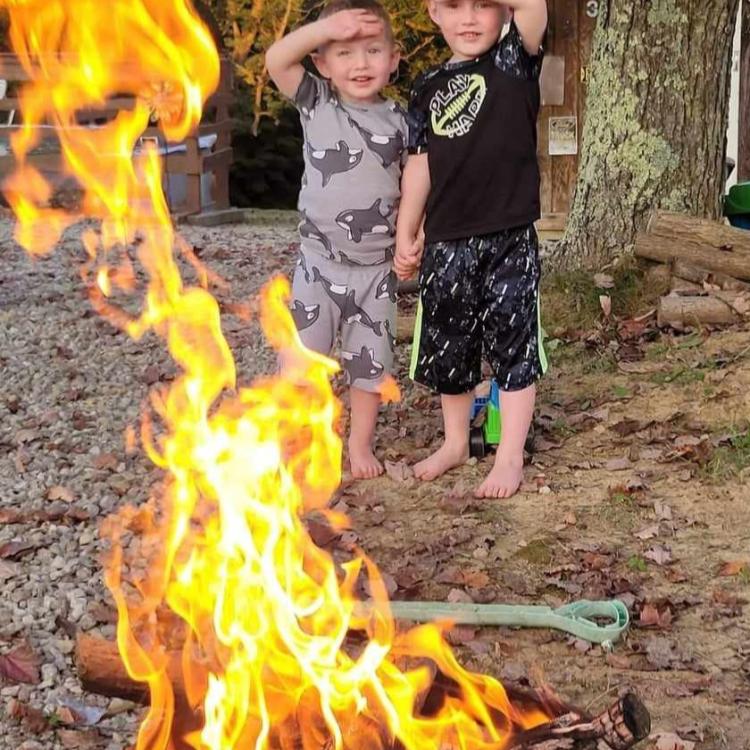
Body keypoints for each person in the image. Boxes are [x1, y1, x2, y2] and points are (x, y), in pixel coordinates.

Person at [394, 0, 548, 499]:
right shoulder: (426, 85)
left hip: (508, 234)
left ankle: (509, 457)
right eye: (454, 5)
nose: (469, 17)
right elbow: (419, 164)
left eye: (483, 5)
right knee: (449, 345)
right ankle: (456, 442)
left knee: (514, 344)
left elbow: (534, 9)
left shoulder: (512, 60)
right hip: (446, 238)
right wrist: (407, 229)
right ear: (432, 12)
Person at [266, 0, 406, 479]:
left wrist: (415, 236)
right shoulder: (316, 102)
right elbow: (276, 60)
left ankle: (360, 446)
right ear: (323, 65)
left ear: (394, 59)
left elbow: (415, 188)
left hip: (377, 273)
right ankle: (295, 442)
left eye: (372, 50)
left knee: (370, 368)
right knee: (302, 363)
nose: (361, 64)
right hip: (317, 266)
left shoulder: (402, 123)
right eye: (344, 53)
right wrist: (325, 28)